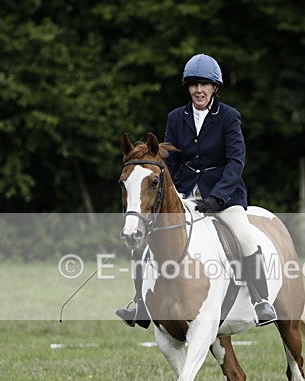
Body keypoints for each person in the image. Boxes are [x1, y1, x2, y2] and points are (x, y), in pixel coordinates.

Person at [116, 53, 277, 327]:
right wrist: (172, 193)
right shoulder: (176, 117)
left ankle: (261, 301)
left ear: (215, 87)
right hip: (186, 193)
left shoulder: (229, 117)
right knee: (146, 241)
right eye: (193, 85)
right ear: (188, 87)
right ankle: (140, 303)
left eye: (204, 84)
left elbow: (235, 161)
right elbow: (173, 161)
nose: (198, 90)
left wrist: (218, 197)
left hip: (224, 197)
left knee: (245, 237)